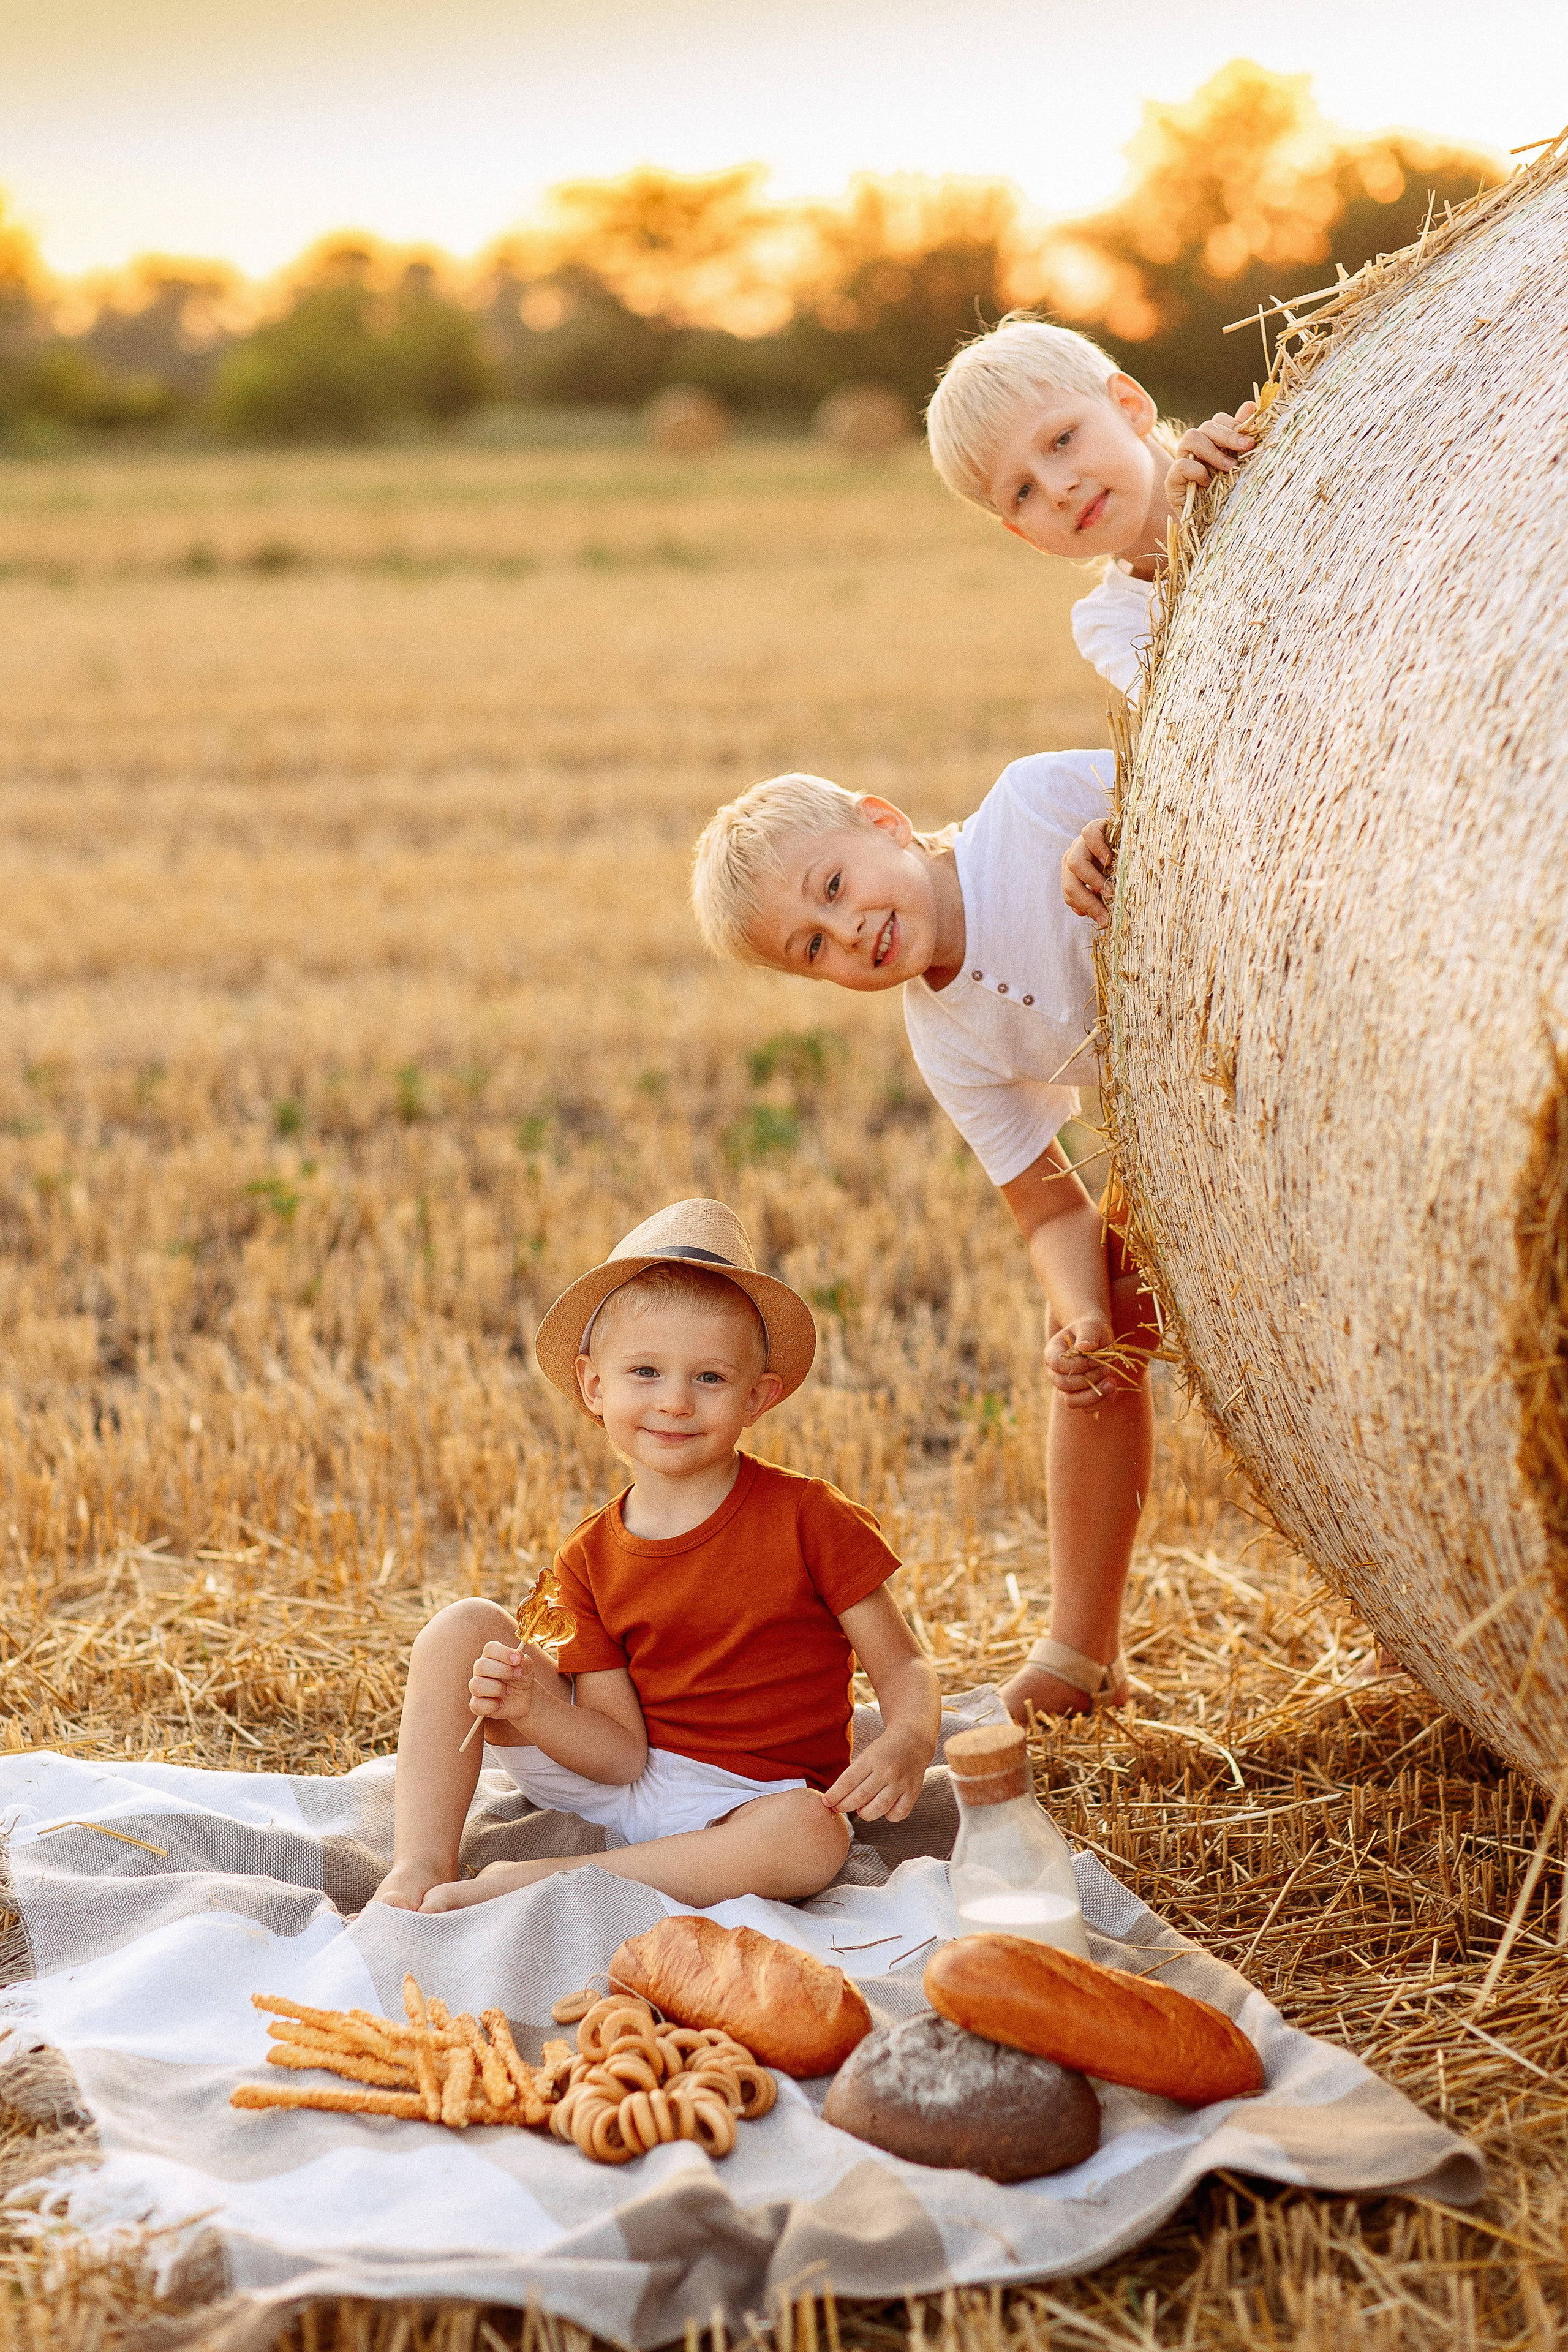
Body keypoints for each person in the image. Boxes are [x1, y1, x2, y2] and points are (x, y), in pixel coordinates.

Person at [372, 1198, 940, 1913]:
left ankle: (548, 1882)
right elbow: (619, 1755)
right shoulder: (589, 1555)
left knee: (814, 1837)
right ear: (593, 1386)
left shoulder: (807, 1517)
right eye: (645, 1371)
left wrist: (911, 1738)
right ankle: (420, 1862)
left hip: (753, 1801)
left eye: (708, 1378)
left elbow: (902, 1664)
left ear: (756, 1398)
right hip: (620, 1777)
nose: (674, 1402)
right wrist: (528, 1708)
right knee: (462, 1628)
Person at [924, 314, 1256, 702]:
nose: (1057, 490)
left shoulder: (1241, 463)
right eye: (1023, 493)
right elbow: (1200, 711)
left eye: (1062, 440)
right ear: (1025, 535)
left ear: (1130, 407)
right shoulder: (1108, 624)